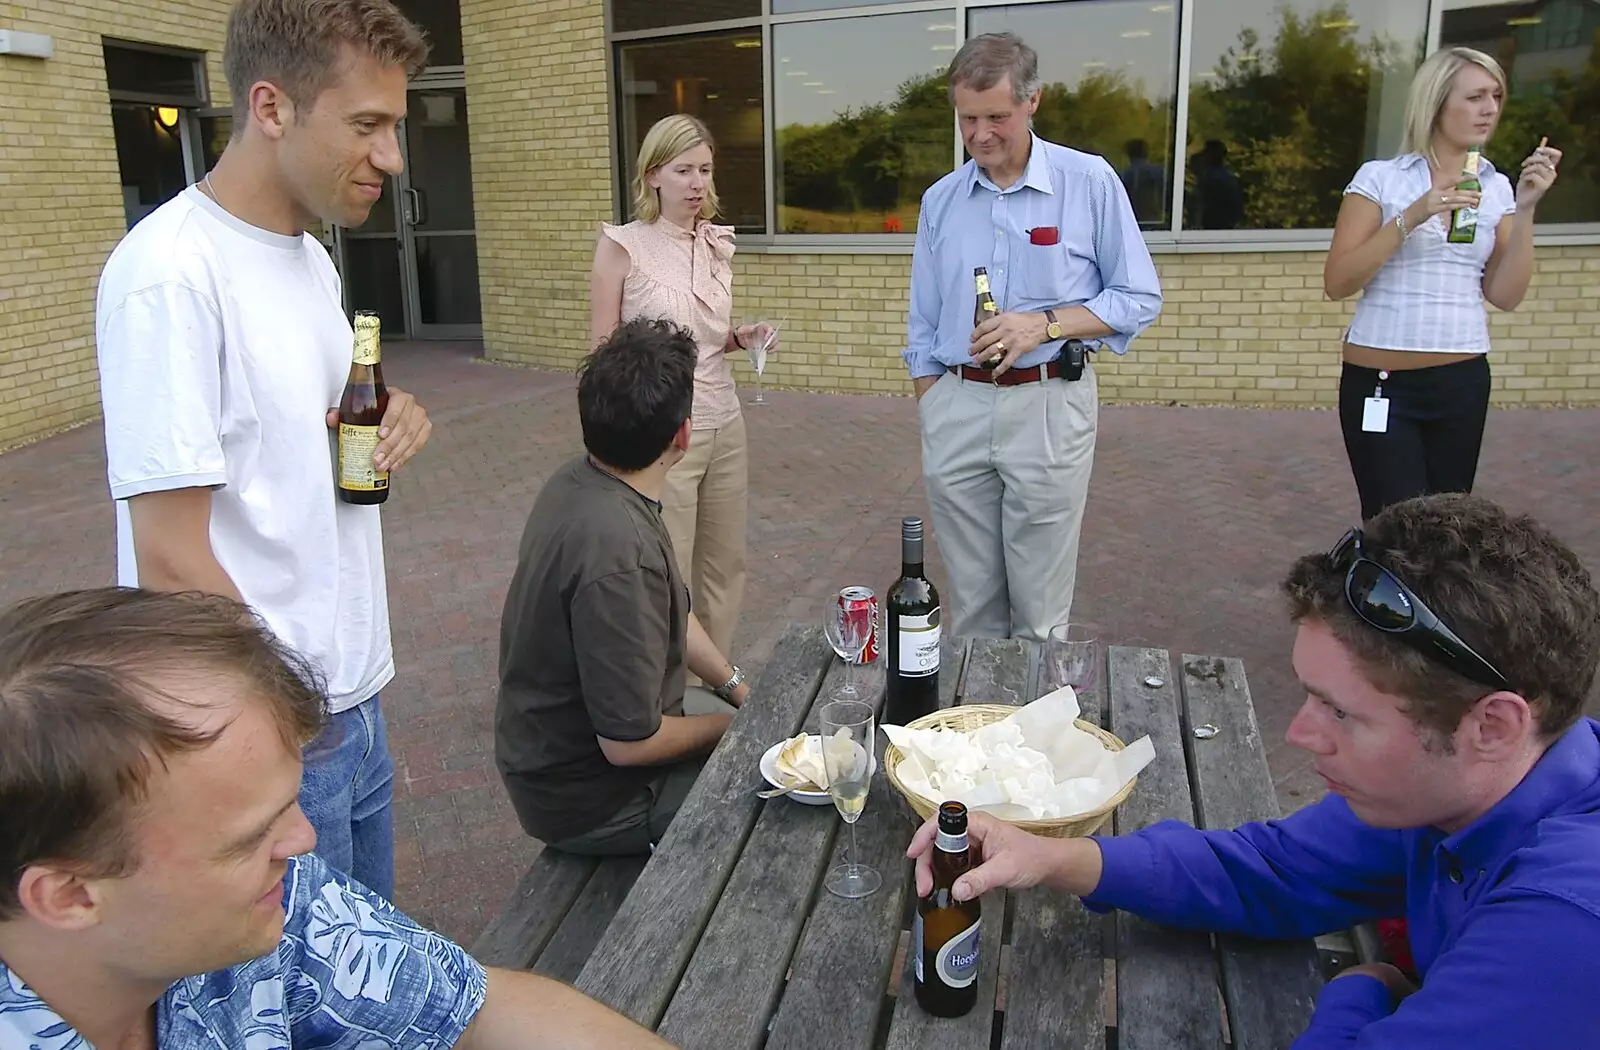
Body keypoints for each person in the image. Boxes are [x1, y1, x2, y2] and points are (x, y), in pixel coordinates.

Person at [908, 492, 1600, 1047]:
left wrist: (1363, 990)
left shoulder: (1566, 925)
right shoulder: (1454, 797)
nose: (1300, 734)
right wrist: (1049, 858)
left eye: (1340, 713)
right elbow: (1275, 872)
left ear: (1493, 725)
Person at [0, 587, 674, 1050]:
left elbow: (469, 1010)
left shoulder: (269, 903)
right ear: (69, 895)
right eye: (245, 841)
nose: (302, 841)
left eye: (288, 803)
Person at [92, 0, 435, 900]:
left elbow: (308, 431)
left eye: (393, 126)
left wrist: (393, 415)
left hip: (355, 698)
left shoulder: (308, 257)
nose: (391, 159)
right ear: (271, 106)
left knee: (366, 999)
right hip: (275, 726)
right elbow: (170, 558)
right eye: (368, 125)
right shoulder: (170, 274)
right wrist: (291, 723)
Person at [903, 32, 1162, 643]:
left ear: (1033, 102)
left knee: (1042, 617)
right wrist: (932, 398)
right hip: (957, 405)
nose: (980, 134)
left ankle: (1034, 735)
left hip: (1049, 405)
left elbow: (1137, 298)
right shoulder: (940, 200)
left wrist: (1042, 324)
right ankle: (977, 733)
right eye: (968, 119)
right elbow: (923, 319)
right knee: (970, 613)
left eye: (997, 116)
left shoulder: (1088, 182)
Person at [496, 319, 753, 856]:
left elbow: (676, 609)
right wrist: (730, 728)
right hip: (589, 798)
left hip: (553, 758)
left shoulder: (587, 478)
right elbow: (629, 745)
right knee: (768, 794)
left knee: (754, 726)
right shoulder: (620, 549)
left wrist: (737, 691)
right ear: (682, 435)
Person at [1324, 46, 1561, 521]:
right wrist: (1414, 215)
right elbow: (1338, 281)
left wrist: (1529, 207)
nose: (1490, 108)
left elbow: (1505, 294)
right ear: (1436, 102)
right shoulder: (1382, 179)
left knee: (1447, 531)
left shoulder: (1494, 187)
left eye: (1496, 95)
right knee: (1394, 528)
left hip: (1461, 379)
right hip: (1382, 382)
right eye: (1475, 96)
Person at [590, 113, 769, 682]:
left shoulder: (716, 244)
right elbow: (603, 356)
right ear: (653, 175)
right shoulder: (624, 247)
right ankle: (667, 691)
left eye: (705, 170)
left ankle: (714, 682)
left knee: (724, 566)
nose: (696, 183)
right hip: (664, 433)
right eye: (684, 169)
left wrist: (743, 337)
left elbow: (709, 337)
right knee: (670, 571)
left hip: (726, 421)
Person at [1119, 138, 1166, 226]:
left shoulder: (1124, 175)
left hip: (1131, 219)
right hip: (1155, 220)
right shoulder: (1159, 172)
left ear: (1128, 155)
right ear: (1146, 153)